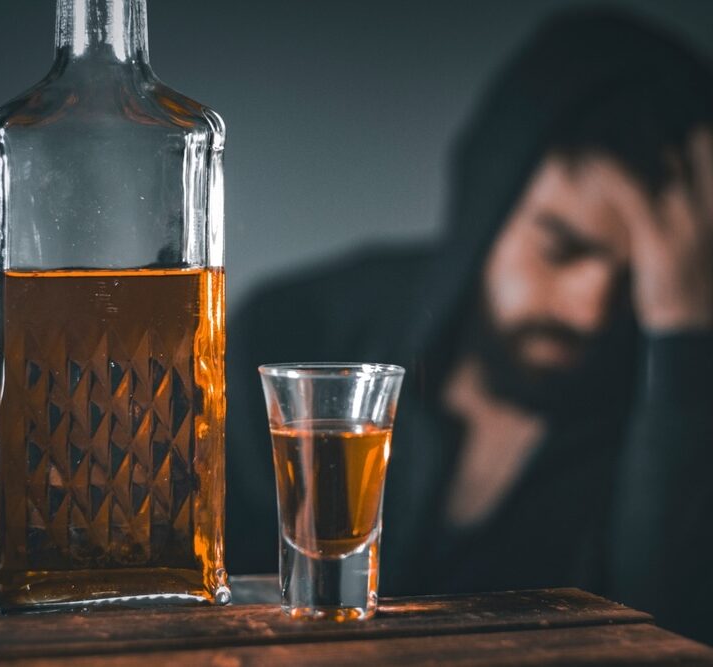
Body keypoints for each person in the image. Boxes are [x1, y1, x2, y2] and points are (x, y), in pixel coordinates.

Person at [225, 9, 713, 643]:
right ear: (489, 199)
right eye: (561, 248)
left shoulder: (675, 408)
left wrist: (683, 332)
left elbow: (675, 635)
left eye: (640, 280)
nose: (591, 309)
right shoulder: (296, 329)